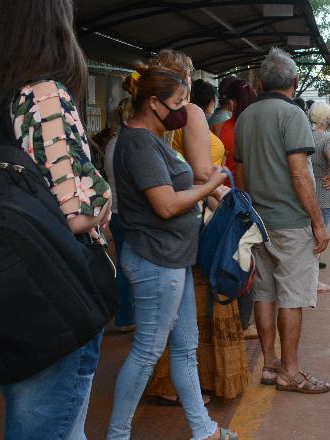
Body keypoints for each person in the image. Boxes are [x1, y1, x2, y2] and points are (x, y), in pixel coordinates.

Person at [0, 1, 111, 438]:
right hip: (54, 297)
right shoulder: (43, 95)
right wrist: (105, 196)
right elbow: (78, 211)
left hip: (4, 295)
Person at [106, 62, 236, 440]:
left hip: (172, 258)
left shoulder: (153, 139)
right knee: (148, 351)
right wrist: (210, 184)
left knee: (185, 347)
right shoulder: (138, 143)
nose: (184, 110)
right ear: (152, 102)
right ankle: (117, 435)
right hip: (155, 261)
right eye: (178, 102)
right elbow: (165, 205)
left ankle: (203, 429)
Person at [146, 50, 249, 403]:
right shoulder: (189, 113)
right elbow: (203, 172)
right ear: (184, 79)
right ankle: (192, 384)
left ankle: (174, 384)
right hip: (197, 218)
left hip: (170, 219)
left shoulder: (152, 117)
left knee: (173, 309)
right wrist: (224, 184)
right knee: (202, 305)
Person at [234, 47, 330, 394]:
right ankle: (290, 371)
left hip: (258, 221)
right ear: (295, 81)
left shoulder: (245, 117)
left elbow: (241, 174)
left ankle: (270, 366)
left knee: (264, 293)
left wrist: (251, 213)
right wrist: (318, 221)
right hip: (291, 222)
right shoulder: (293, 116)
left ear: (261, 82)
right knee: (291, 297)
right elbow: (300, 174)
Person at [217, 79, 258, 338]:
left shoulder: (219, 129)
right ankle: (245, 321)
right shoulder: (256, 127)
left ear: (231, 103)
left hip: (222, 199)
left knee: (228, 257)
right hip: (251, 201)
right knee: (249, 261)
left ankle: (226, 316)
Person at [103, 98, 135, 333]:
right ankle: (127, 315)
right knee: (132, 267)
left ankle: (125, 316)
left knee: (123, 265)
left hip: (115, 213)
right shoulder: (131, 143)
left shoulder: (113, 143)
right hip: (130, 213)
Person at [308, 102, 330, 292]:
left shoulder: (305, 135)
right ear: (327, 119)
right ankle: (313, 283)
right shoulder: (326, 139)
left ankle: (307, 279)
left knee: (307, 238)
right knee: (319, 240)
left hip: (306, 193)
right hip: (323, 194)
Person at [218, 79, 256, 180]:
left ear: (231, 103)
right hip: (254, 190)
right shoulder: (261, 127)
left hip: (226, 190)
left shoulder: (219, 128)